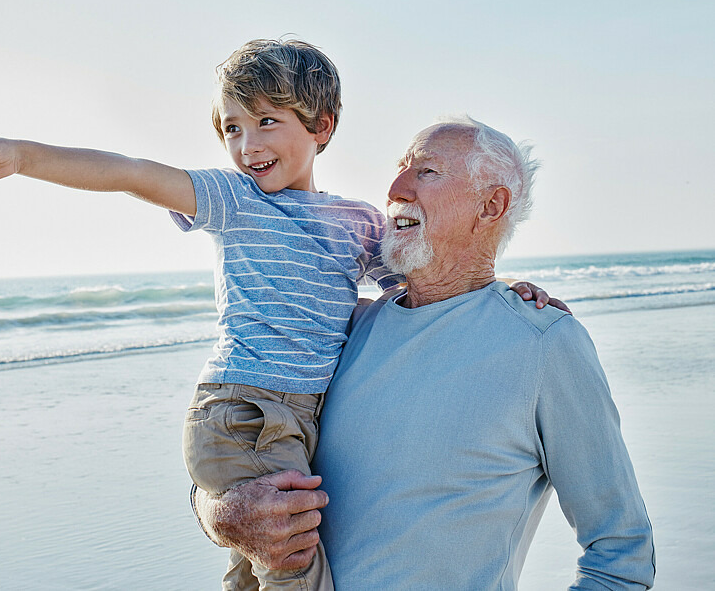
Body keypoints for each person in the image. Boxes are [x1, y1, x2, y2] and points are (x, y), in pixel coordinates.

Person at [0, 39, 556, 590]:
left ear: (321, 126)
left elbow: (420, 291)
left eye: (267, 121)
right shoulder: (235, 200)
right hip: (242, 411)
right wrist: (21, 157)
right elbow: (132, 173)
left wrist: (504, 293)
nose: (247, 145)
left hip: (305, 419)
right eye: (231, 127)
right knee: (293, 564)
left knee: (256, 570)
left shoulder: (357, 223)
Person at [195, 117, 656, 590]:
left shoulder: (545, 343)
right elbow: (231, 451)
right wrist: (220, 515)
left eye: (427, 172)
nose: (395, 188)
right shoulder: (343, 329)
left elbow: (621, 551)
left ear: (491, 205)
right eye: (400, 168)